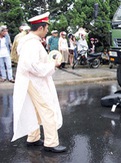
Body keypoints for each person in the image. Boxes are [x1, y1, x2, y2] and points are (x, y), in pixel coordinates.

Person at [12, 12, 67, 153]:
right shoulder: (31, 44)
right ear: (41, 28)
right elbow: (33, 66)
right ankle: (51, 143)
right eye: (47, 28)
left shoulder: (30, 42)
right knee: (47, 109)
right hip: (34, 81)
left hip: (30, 80)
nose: (48, 31)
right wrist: (53, 64)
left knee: (35, 109)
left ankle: (33, 137)